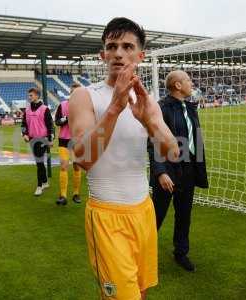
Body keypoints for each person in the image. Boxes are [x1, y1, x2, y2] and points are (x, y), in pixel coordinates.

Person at [69, 17, 178, 300]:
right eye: (112, 46)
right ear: (102, 54)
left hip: (143, 210)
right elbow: (83, 159)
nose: (119, 53)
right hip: (107, 215)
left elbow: (172, 152)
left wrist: (150, 122)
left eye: (127, 46)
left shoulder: (146, 99)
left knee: (140, 291)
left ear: (140, 56)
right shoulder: (84, 95)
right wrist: (115, 109)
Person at [148, 70, 208, 272]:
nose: (192, 84)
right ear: (178, 85)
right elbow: (153, 142)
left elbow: (195, 140)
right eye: (189, 80)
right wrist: (161, 172)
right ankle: (142, 253)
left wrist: (196, 167)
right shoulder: (161, 108)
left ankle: (181, 252)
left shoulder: (190, 108)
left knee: (184, 214)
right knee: (156, 215)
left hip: (188, 170)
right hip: (168, 170)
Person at [21, 87, 54, 196]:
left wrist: (50, 139)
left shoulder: (45, 109)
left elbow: (50, 125)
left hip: (42, 139)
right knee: (39, 163)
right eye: (29, 95)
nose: (29, 97)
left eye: (31, 95)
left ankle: (39, 186)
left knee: (39, 162)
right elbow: (23, 124)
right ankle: (45, 182)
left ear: (37, 96)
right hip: (32, 139)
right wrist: (24, 134)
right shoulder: (27, 110)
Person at [54, 82, 82, 205]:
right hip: (64, 140)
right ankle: (63, 196)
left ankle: (76, 193)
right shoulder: (62, 105)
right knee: (63, 166)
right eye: (73, 92)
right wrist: (65, 118)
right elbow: (57, 122)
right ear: (70, 93)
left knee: (76, 166)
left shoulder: (84, 107)